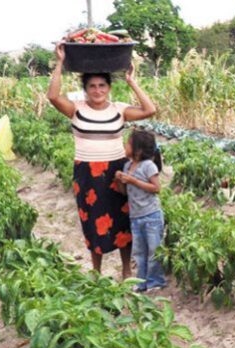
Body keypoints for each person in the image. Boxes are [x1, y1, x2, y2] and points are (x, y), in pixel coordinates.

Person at [47, 43, 157, 279]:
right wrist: (60, 62)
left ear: (108, 87)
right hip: (86, 172)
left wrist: (132, 81)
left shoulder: (119, 110)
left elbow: (150, 109)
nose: (97, 90)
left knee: (122, 221)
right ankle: (96, 271)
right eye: (92, 86)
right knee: (91, 222)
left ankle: (126, 271)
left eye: (102, 85)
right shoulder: (76, 109)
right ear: (85, 89)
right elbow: (53, 96)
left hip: (117, 172)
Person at [115, 131, 166, 292]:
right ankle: (142, 282)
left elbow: (156, 188)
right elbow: (125, 192)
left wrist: (133, 180)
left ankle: (155, 282)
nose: (125, 146)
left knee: (153, 251)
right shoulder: (127, 166)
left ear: (137, 150)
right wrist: (120, 181)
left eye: (128, 144)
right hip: (136, 216)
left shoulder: (148, 166)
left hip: (151, 215)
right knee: (139, 253)